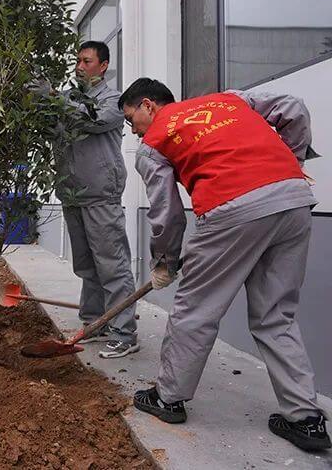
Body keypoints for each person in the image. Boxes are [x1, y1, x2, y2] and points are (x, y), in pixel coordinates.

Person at [119, 77, 330, 452]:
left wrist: (165, 261)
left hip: (232, 207)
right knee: (276, 314)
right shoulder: (229, 100)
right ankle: (306, 420)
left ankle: (168, 398)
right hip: (294, 198)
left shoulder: (152, 145)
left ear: (149, 106)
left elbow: (166, 214)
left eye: (131, 119)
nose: (133, 130)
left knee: (195, 309)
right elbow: (293, 106)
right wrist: (291, 161)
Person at [48, 41, 138, 358]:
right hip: (72, 193)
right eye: (78, 61)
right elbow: (55, 128)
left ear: (103, 66)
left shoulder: (114, 100)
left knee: (112, 264)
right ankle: (94, 323)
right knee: (87, 265)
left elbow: (93, 120)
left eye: (87, 61)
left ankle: (125, 333)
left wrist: (54, 100)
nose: (80, 67)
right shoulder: (69, 99)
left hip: (100, 191)